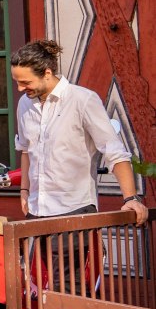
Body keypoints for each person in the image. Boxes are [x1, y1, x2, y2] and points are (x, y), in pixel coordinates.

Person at [11, 39, 147, 223]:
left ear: (47, 73)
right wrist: (24, 191)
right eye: (17, 82)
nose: (19, 88)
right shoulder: (24, 104)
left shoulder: (82, 100)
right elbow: (26, 151)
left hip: (74, 209)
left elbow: (114, 152)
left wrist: (131, 199)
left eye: (25, 82)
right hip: (35, 209)